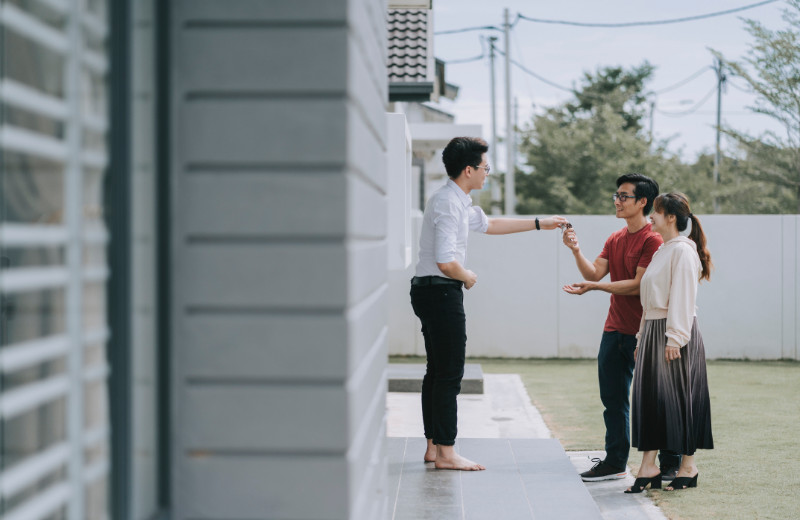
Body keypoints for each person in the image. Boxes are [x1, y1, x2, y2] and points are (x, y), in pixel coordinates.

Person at [411, 136, 567, 471]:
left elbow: (491, 224)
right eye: (485, 168)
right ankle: (447, 453)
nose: (488, 173)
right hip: (441, 289)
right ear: (469, 170)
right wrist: (467, 276)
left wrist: (541, 222)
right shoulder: (449, 204)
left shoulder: (454, 200)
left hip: (429, 290)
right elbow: (445, 261)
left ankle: (434, 447)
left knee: (437, 371)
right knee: (450, 373)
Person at [562, 173, 681, 482]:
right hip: (615, 330)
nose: (617, 201)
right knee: (612, 400)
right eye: (616, 195)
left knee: (656, 399)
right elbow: (595, 272)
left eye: (624, 196)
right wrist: (575, 250)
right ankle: (615, 461)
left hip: (648, 331)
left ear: (643, 202)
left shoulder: (653, 239)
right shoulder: (615, 238)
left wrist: (593, 287)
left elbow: (638, 286)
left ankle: (670, 460)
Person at [624, 192, 714, 493]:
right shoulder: (663, 250)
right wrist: (641, 337)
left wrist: (675, 337)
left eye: (657, 212)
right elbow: (649, 301)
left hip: (673, 333)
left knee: (679, 399)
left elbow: (683, 297)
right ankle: (648, 466)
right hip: (653, 332)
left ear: (671, 217)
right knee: (650, 399)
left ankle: (688, 466)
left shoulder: (683, 251)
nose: (651, 217)